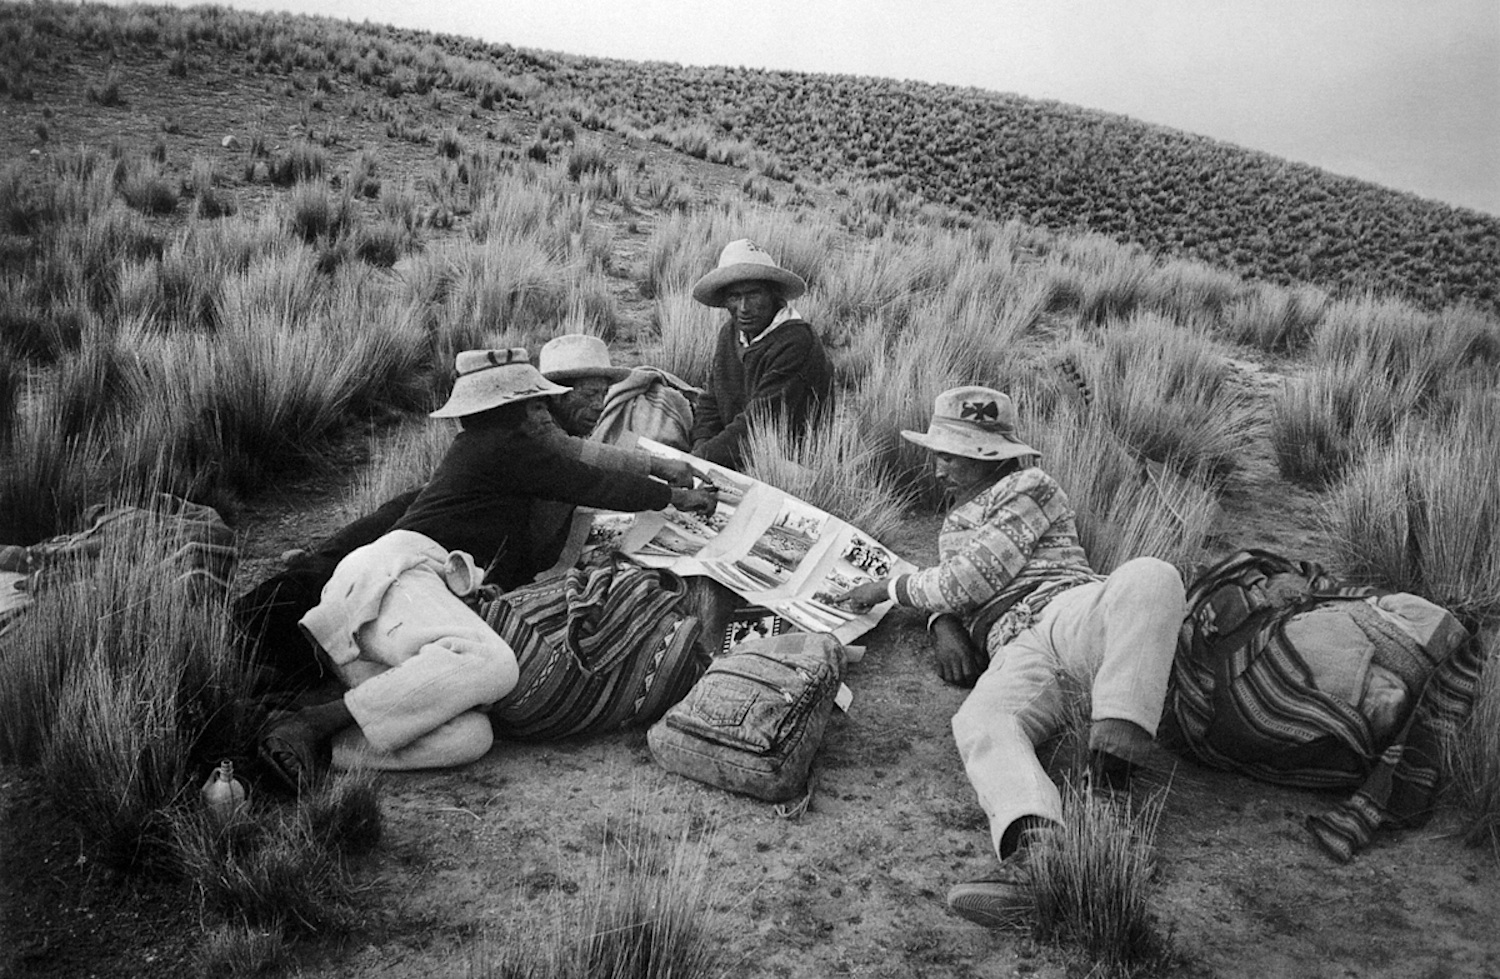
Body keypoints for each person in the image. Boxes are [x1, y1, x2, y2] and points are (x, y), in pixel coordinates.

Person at [258, 349, 718, 783]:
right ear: (514, 410)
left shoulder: (492, 450)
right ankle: (314, 720)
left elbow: (585, 464)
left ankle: (316, 743)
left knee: (472, 737)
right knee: (493, 665)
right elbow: (592, 481)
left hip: (407, 613)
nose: (543, 415)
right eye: (536, 405)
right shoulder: (503, 448)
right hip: (400, 576)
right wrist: (675, 496)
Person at [835, 386, 1185, 928]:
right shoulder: (957, 520)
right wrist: (941, 623)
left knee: (1153, 577)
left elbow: (970, 578)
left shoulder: (1030, 485)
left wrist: (891, 589)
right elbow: (953, 591)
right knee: (980, 719)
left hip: (1069, 610)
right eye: (939, 455)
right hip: (1013, 645)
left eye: (950, 456)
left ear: (987, 457)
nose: (938, 469)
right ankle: (1040, 860)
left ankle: (1111, 792)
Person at [688, 239, 833, 470]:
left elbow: (759, 423)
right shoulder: (730, 333)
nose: (744, 308)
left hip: (784, 462)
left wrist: (699, 462)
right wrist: (700, 446)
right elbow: (711, 401)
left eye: (754, 295)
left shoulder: (796, 341)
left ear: (774, 296)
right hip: (730, 450)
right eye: (735, 297)